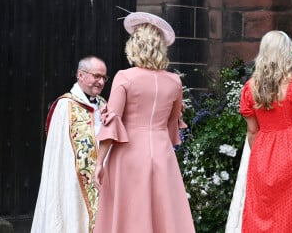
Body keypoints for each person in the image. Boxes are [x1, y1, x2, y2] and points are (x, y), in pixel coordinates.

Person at [93, 12, 195, 233]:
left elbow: (112, 123)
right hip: (161, 152)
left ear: (134, 47)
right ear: (161, 48)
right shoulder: (174, 81)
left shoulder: (125, 77)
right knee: (162, 213)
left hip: (128, 153)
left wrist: (98, 162)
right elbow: (173, 122)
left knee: (131, 213)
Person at [226, 30, 292, 232]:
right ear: (286, 53)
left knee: (261, 211)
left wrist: (260, 155)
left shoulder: (250, 88)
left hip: (262, 153)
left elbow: (252, 131)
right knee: (291, 211)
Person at [31, 56, 108, 233]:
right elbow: (59, 153)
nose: (101, 82)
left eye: (104, 77)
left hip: (100, 176)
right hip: (71, 179)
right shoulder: (65, 106)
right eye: (97, 76)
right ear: (80, 75)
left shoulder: (104, 104)